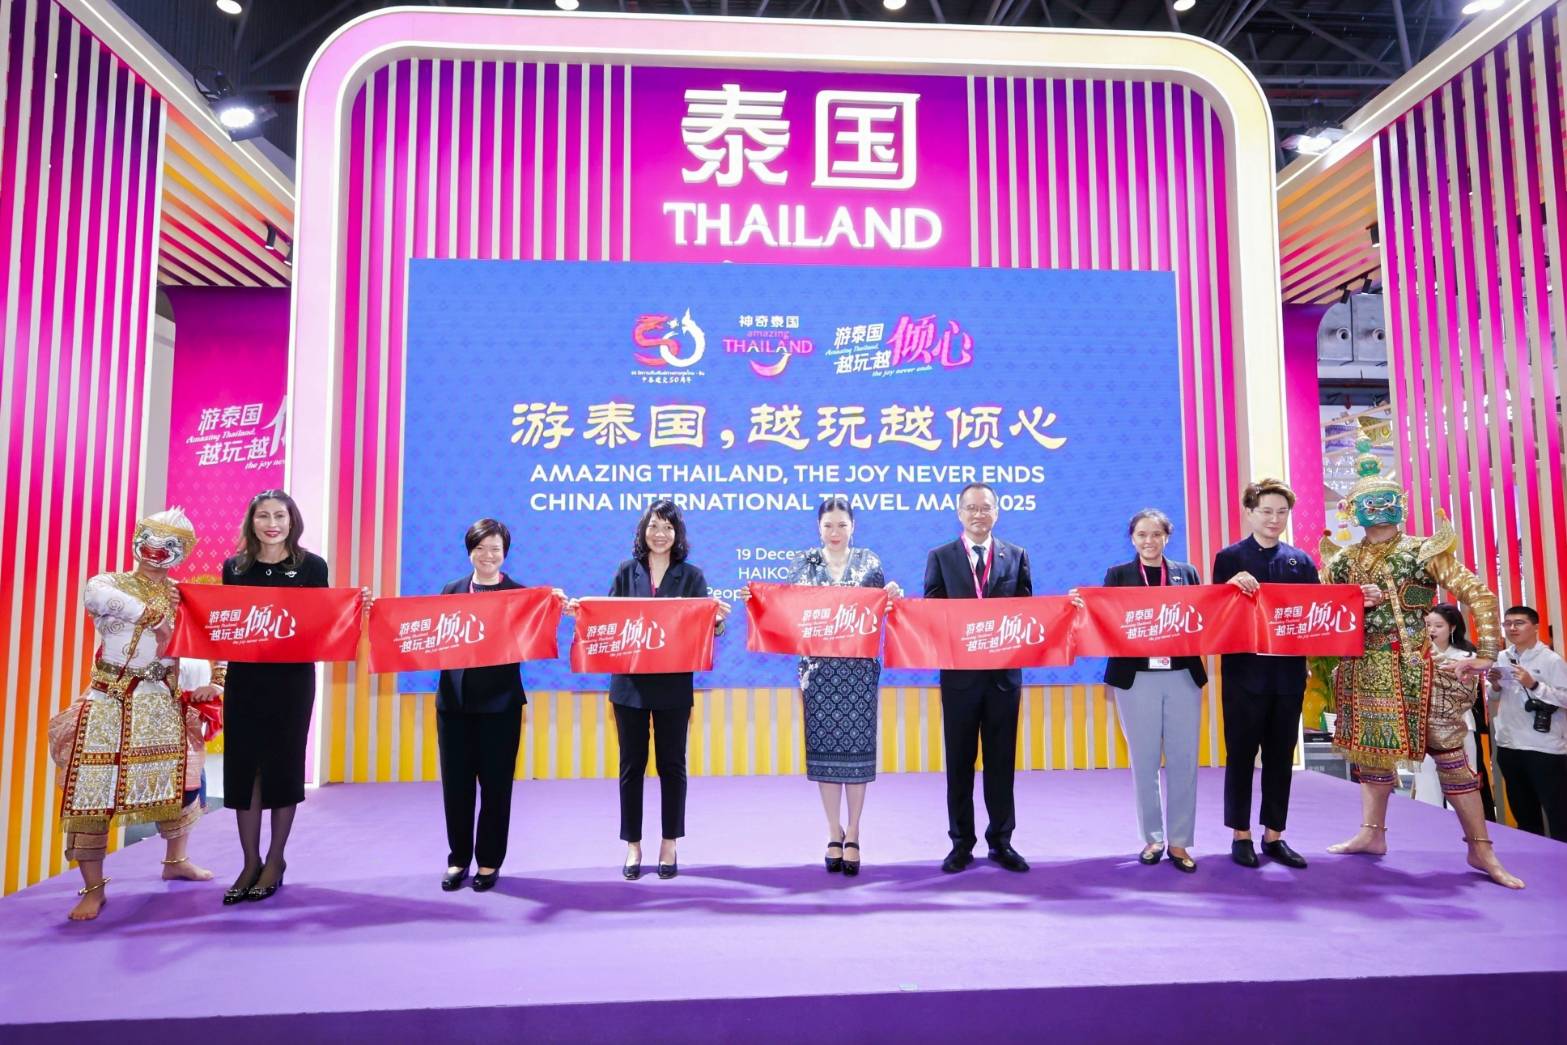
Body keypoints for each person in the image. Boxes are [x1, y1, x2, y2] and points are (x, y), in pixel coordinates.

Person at [1320, 442, 1521, 887]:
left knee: (1450, 758)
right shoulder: (1342, 561)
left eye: (1389, 500)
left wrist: (1485, 653)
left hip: (1416, 666)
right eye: (1371, 502)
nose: (1382, 509)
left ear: (1402, 505)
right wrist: (1352, 599)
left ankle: (1480, 849)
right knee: (1371, 756)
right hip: (1362, 667)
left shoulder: (1423, 551)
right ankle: (1372, 834)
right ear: (1353, 509)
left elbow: (1480, 595)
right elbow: (1321, 610)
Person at [49, 508, 219, 921]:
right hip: (109, 700)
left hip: (163, 701)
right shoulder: (109, 582)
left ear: (184, 553)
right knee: (92, 793)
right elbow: (97, 597)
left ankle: (175, 860)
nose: (157, 549)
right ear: (137, 537)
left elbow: (219, 639)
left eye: (170, 544)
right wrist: (157, 616)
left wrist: (219, 682)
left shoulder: (187, 595)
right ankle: (93, 888)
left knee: (180, 786)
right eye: (151, 538)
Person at [570, 500, 730, 881]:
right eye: (654, 527)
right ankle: (633, 844)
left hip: (673, 686)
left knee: (672, 765)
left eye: (668, 528)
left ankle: (669, 842)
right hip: (630, 687)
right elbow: (606, 618)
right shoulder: (626, 571)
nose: (660, 534)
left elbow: (707, 628)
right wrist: (583, 612)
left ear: (678, 534)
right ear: (643, 532)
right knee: (631, 766)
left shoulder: (691, 576)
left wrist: (718, 622)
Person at [219, 490, 330, 904]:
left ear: (291, 521)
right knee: (245, 768)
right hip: (245, 679)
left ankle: (275, 860)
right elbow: (225, 620)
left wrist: (357, 607)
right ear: (251, 522)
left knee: (283, 767)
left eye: (279, 515)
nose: (272, 523)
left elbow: (324, 619)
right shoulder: (235, 567)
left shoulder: (312, 566)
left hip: (292, 681)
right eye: (263, 515)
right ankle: (249, 862)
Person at [783, 496, 902, 876]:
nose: (835, 532)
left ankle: (854, 832)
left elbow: (879, 612)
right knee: (826, 756)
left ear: (853, 527)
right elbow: (788, 613)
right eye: (828, 526)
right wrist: (757, 602)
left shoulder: (870, 563)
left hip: (857, 674)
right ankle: (833, 831)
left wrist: (891, 599)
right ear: (818, 528)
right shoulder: (803, 564)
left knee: (857, 755)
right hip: (818, 673)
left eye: (842, 525)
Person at [434, 519, 553, 893]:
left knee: (496, 787)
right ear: (470, 550)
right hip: (453, 705)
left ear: (505, 553)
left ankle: (489, 861)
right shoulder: (450, 592)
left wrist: (554, 606)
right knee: (457, 787)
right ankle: (457, 859)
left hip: (500, 705)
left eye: (495, 549)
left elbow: (535, 637)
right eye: (481, 548)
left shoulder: (520, 595)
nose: (488, 555)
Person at [924, 482, 1033, 874]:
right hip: (959, 680)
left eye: (985, 508)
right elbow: (932, 614)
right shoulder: (940, 557)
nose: (978, 515)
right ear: (959, 513)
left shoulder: (1016, 556)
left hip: (1004, 680)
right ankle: (960, 843)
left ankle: (1002, 842)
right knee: (960, 764)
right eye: (971, 508)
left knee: (1002, 763)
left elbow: (1026, 615)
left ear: (996, 512)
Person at [1211, 478, 1317, 870]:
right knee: (1241, 755)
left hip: (1288, 675)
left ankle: (1275, 834)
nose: (1275, 519)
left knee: (1280, 756)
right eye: (1267, 511)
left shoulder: (1301, 561)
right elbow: (1214, 614)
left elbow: (1315, 615)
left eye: (1282, 512)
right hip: (1243, 674)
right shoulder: (1229, 558)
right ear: (1250, 512)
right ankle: (1241, 834)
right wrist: (1228, 587)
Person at [1096, 509, 1206, 873]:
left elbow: (1202, 618)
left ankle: (1178, 842)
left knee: (1183, 760)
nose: (1149, 541)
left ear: (1166, 537)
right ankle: (1153, 838)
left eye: (1156, 534)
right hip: (1136, 678)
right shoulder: (1118, 575)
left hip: (1181, 676)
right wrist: (1082, 604)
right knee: (1144, 762)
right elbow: (1104, 619)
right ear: (1132, 538)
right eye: (1142, 534)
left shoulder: (1186, 573)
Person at [1488, 605, 1566, 841]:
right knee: (1523, 812)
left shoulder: (1551, 659)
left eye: (1519, 623)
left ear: (1535, 627)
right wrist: (1495, 686)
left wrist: (1534, 684)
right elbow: (1492, 698)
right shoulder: (1503, 656)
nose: (1512, 628)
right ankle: (1534, 859)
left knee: (1558, 812)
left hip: (1544, 746)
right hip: (1510, 744)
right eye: (1508, 623)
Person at [1409, 605, 1479, 808]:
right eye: (1428, 625)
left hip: (1458, 723)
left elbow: (1465, 692)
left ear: (1452, 628)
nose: (1431, 630)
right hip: (1423, 723)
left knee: (1462, 780)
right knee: (1426, 783)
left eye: (1438, 625)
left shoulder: (1466, 657)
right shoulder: (1415, 656)